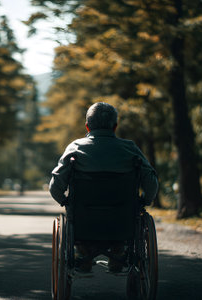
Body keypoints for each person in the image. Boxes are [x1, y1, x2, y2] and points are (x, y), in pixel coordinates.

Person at [49, 102, 158, 273]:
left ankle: (84, 256)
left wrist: (64, 201)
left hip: (84, 221)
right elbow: (151, 182)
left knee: (76, 217)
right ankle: (118, 254)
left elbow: (55, 185)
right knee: (127, 219)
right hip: (122, 223)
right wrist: (146, 200)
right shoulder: (131, 149)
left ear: (87, 126)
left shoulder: (75, 148)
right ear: (115, 126)